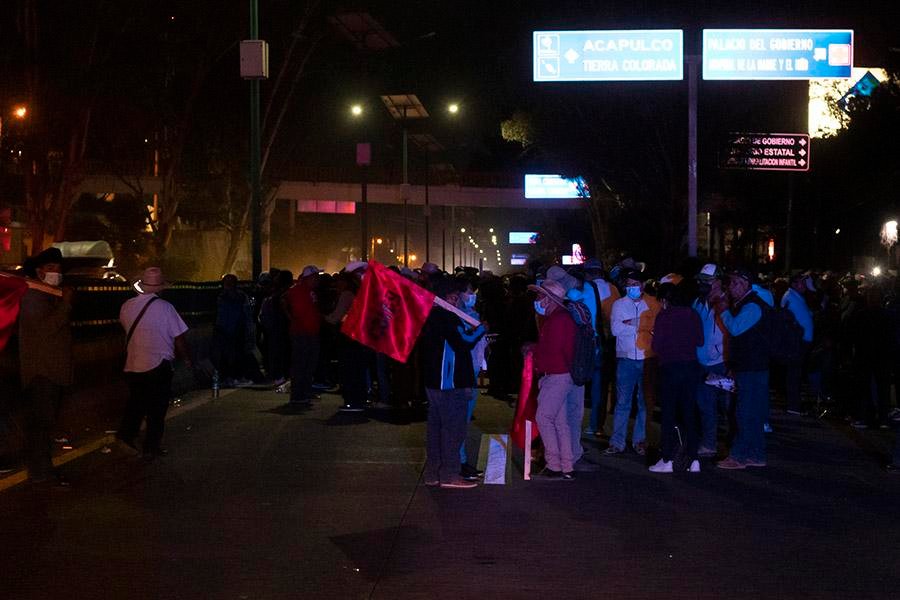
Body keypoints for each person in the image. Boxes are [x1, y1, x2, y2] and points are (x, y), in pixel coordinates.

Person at [117, 267, 191, 460]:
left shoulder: (126, 306)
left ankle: (126, 436)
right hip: (158, 364)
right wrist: (188, 359)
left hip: (133, 364)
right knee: (156, 409)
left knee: (136, 402)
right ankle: (151, 446)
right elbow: (179, 338)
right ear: (160, 288)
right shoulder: (166, 308)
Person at [420, 276, 485, 489]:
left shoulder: (428, 315)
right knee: (452, 431)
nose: (459, 300)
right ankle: (450, 474)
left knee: (436, 431)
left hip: (433, 382)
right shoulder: (447, 317)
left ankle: (433, 473)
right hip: (451, 383)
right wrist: (481, 329)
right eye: (456, 296)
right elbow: (463, 342)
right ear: (449, 297)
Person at [18, 247, 73, 486]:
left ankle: (43, 468)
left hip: (53, 371)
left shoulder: (49, 294)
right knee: (41, 424)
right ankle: (40, 472)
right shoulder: (32, 296)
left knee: (45, 424)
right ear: (39, 271)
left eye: (58, 269)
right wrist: (66, 305)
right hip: (42, 371)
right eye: (51, 269)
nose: (56, 273)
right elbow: (46, 329)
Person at [716, 268, 770, 470]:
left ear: (746, 284)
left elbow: (736, 328)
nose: (731, 287)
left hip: (752, 368)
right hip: (752, 367)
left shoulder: (753, 307)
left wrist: (724, 311)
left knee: (744, 412)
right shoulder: (748, 304)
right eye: (730, 283)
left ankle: (738, 456)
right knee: (752, 413)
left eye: (735, 283)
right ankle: (755, 455)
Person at [529, 279, 582, 479]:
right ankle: (566, 465)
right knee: (560, 422)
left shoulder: (559, 320)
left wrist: (534, 353)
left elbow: (554, 350)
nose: (537, 300)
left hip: (557, 375)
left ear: (550, 299)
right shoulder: (559, 318)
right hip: (560, 374)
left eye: (540, 296)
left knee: (544, 418)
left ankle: (554, 464)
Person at [649, 283, 703, 473]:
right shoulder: (693, 314)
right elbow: (700, 340)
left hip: (670, 367)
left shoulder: (664, 316)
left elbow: (656, 346)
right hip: (691, 366)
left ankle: (667, 459)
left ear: (666, 300)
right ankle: (694, 458)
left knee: (669, 413)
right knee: (689, 412)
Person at [606, 270, 660, 456]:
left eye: (635, 283)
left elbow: (657, 328)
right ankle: (617, 442)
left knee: (644, 402)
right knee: (622, 402)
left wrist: (632, 323)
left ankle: (640, 441)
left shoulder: (653, 304)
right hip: (626, 359)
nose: (631, 287)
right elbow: (615, 329)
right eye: (628, 284)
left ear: (642, 285)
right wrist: (643, 324)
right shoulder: (619, 305)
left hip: (647, 358)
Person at [693, 264, 729, 456]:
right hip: (701, 363)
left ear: (718, 282)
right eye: (701, 280)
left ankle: (732, 444)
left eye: (707, 280)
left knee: (727, 407)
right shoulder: (698, 302)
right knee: (705, 405)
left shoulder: (727, 302)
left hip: (722, 362)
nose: (702, 284)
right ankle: (709, 443)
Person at [581, 259, 620, 437]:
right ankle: (597, 424)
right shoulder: (613, 289)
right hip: (609, 342)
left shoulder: (585, 289)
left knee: (580, 383)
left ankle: (580, 423)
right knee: (601, 385)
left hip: (590, 341)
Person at [284, 265, 321, 406]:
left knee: (307, 364)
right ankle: (298, 395)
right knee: (302, 364)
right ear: (309, 278)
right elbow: (300, 313)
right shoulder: (299, 291)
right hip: (303, 333)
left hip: (308, 332)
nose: (318, 279)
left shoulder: (309, 291)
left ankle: (303, 392)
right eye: (315, 276)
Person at [212, 274, 256, 386]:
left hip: (228, 330)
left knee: (229, 356)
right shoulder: (239, 296)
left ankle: (230, 378)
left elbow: (219, 316)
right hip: (233, 330)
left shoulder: (222, 297)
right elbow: (247, 314)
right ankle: (234, 377)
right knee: (235, 355)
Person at [781, 273, 815, 415]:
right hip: (796, 342)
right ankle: (793, 405)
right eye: (801, 283)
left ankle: (794, 404)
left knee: (796, 373)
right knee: (794, 374)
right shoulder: (790, 297)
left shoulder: (796, 296)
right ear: (794, 284)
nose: (804, 286)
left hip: (800, 340)